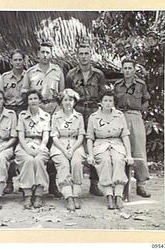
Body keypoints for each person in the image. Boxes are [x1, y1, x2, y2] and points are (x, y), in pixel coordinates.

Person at [23, 41, 65, 198]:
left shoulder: (57, 71)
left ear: (51, 54)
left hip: (53, 110)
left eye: (48, 52)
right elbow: (25, 93)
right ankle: (29, 185)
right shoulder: (31, 72)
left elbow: (62, 94)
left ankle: (53, 184)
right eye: (42, 52)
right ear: (38, 54)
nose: (45, 55)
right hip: (36, 111)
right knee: (32, 148)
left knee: (51, 147)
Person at [65, 42, 108, 197]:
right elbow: (67, 96)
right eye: (81, 53)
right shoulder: (71, 75)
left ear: (91, 55)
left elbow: (103, 95)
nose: (84, 57)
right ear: (77, 56)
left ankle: (94, 183)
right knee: (75, 145)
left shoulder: (99, 75)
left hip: (93, 111)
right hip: (77, 111)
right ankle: (73, 183)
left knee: (94, 146)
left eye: (86, 53)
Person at [86, 91, 134, 209]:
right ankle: (108, 194)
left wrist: (129, 154)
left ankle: (118, 195)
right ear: (100, 102)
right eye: (105, 101)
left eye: (110, 101)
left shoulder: (119, 115)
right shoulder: (94, 117)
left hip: (117, 144)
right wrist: (90, 155)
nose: (108, 103)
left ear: (113, 102)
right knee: (105, 161)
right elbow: (90, 138)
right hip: (100, 145)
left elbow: (125, 136)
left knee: (118, 160)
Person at [114, 58, 151, 198]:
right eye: (125, 68)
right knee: (122, 150)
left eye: (130, 68)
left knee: (139, 150)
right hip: (120, 116)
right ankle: (122, 185)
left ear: (134, 69)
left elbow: (146, 99)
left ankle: (141, 185)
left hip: (135, 116)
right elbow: (114, 102)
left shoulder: (141, 84)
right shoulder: (118, 85)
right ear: (122, 69)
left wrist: (139, 111)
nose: (127, 71)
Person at [50, 89, 85, 211]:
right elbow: (54, 136)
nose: (68, 102)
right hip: (60, 146)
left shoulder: (79, 116)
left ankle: (76, 194)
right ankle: (68, 196)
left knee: (76, 163)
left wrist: (73, 149)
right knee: (64, 165)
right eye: (65, 100)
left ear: (74, 102)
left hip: (76, 145)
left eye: (70, 100)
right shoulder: (56, 116)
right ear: (61, 102)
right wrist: (64, 150)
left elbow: (81, 135)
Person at [15, 89, 50, 209]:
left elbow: (45, 137)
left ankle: (39, 194)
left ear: (40, 101)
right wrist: (28, 150)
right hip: (25, 144)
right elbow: (20, 136)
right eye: (30, 99)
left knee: (39, 160)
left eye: (35, 98)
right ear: (27, 101)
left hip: (40, 143)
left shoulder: (45, 116)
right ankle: (28, 194)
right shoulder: (22, 116)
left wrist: (41, 148)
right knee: (28, 160)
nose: (33, 101)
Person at [2, 49, 28, 194]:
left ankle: (25, 184)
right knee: (10, 148)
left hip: (24, 111)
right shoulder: (4, 77)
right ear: (11, 61)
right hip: (10, 112)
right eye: (15, 60)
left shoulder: (29, 76)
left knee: (23, 148)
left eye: (20, 60)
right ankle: (9, 181)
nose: (18, 62)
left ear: (24, 61)